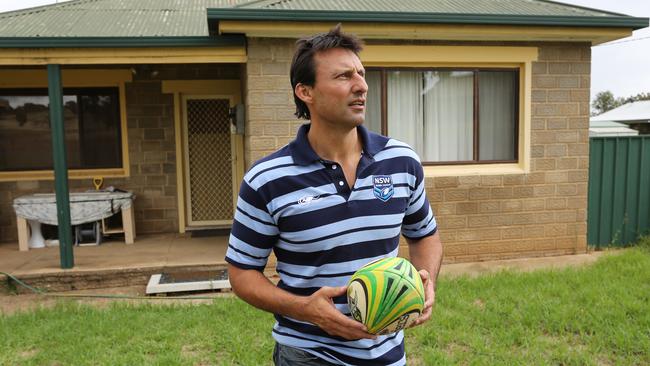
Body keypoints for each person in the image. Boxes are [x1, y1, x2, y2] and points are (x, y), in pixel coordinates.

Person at [226, 25, 443, 365]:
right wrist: (306, 309)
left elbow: (425, 235)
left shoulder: (401, 161)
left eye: (361, 73)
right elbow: (241, 273)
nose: (361, 86)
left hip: (388, 353)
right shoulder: (267, 179)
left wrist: (424, 282)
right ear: (305, 92)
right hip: (308, 354)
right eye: (343, 76)